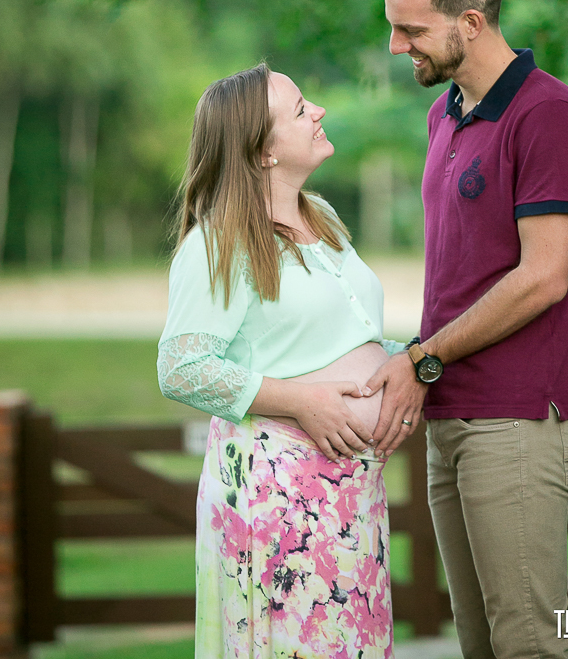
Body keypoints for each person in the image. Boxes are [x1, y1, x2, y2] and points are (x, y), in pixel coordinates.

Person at [365, 0, 568, 659]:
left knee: (528, 645)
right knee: (480, 645)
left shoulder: (548, 114)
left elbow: (542, 277)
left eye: (411, 30)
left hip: (519, 419)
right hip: (451, 411)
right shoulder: (444, 117)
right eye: (392, 27)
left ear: (471, 22)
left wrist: (423, 355)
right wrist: (426, 371)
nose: (398, 47)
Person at [157, 62, 405, 659]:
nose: (317, 111)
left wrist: (408, 365)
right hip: (278, 501)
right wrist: (300, 400)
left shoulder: (323, 218)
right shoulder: (219, 240)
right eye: (299, 110)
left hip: (351, 493)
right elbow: (182, 366)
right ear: (262, 151)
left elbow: (347, 338)